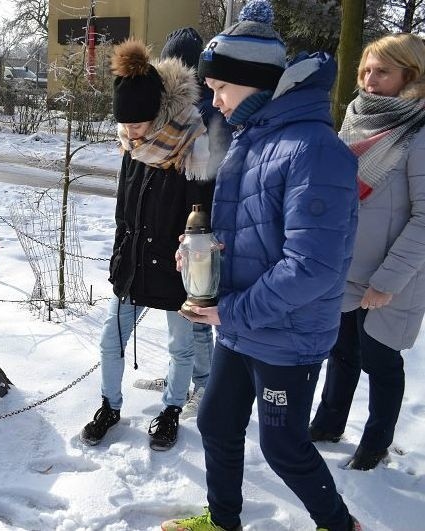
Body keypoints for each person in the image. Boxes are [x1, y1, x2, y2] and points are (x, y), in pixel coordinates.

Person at [160, 0, 362, 529]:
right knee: (216, 423)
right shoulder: (253, 140)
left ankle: (340, 525)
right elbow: (246, 232)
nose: (215, 100)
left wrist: (230, 312)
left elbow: (311, 267)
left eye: (221, 88)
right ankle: (223, 520)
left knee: (283, 446)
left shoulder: (315, 151)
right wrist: (202, 252)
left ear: (253, 82)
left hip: (287, 334)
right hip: (242, 323)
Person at [80, 38, 215, 451]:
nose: (131, 134)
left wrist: (193, 263)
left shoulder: (192, 145)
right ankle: (109, 405)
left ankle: (172, 410)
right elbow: (125, 209)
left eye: (138, 125)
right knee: (110, 339)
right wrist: (121, 254)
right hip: (133, 263)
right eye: (125, 126)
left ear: (156, 114)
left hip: (175, 267)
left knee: (180, 346)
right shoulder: (132, 147)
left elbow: (202, 215)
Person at [309, 33, 425, 472]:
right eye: (366, 70)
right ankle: (327, 424)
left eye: (383, 71)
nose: (370, 80)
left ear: (409, 77)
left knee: (381, 360)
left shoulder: (419, 134)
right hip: (346, 266)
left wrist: (386, 282)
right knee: (341, 353)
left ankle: (375, 444)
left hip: (393, 278)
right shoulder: (355, 118)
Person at [133, 26, 233, 420]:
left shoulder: (207, 114)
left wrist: (198, 232)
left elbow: (209, 177)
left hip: (198, 227)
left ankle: (204, 386)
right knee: (180, 310)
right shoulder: (177, 111)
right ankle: (184, 374)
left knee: (195, 312)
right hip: (179, 226)